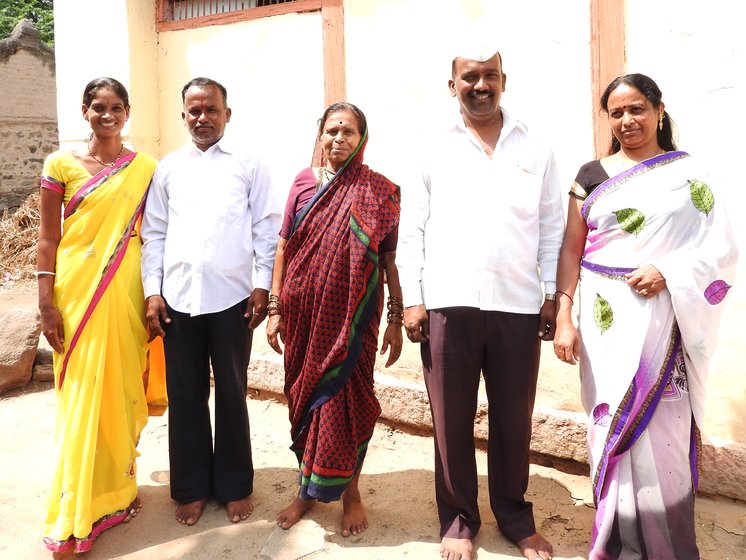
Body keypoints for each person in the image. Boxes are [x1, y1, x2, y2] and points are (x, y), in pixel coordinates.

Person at [553, 73, 738, 559]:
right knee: (609, 420)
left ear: (658, 110)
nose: (627, 120)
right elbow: (570, 250)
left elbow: (720, 249)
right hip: (603, 322)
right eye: (617, 112)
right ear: (607, 118)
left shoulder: (688, 174)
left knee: (665, 429)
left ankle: (668, 546)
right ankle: (615, 538)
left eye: (636, 109)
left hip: (666, 318)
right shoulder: (591, 175)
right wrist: (565, 316)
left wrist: (668, 270)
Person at [397, 49, 563, 560]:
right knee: (451, 420)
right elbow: (412, 229)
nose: (480, 85)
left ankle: (513, 515)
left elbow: (552, 225)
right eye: (470, 77)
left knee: (515, 418)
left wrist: (554, 294)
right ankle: (459, 521)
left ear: (503, 80)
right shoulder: (431, 145)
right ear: (453, 85)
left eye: (489, 75)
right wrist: (413, 299)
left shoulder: (535, 144)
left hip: (517, 303)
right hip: (449, 303)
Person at [141, 77, 280, 527]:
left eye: (211, 110)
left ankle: (235, 484)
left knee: (233, 394)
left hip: (233, 298)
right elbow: (155, 233)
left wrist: (262, 284)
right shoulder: (168, 168)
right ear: (183, 116)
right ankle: (190, 486)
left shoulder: (249, 163)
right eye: (194, 111)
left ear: (227, 113)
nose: (202, 118)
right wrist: (153, 291)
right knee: (185, 395)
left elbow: (265, 227)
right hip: (179, 300)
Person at [266, 102, 402, 537]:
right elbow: (284, 246)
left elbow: (388, 260)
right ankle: (305, 492)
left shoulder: (379, 192)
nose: (338, 138)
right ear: (319, 136)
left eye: (348, 131)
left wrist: (397, 315)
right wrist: (274, 308)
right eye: (331, 130)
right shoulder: (303, 183)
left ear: (362, 138)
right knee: (305, 399)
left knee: (349, 403)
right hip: (304, 315)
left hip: (354, 319)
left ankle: (352, 494)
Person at [38, 77, 159, 556]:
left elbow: (156, 234)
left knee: (120, 389)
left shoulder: (146, 167)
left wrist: (156, 294)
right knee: (82, 397)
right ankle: (75, 506)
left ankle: (116, 495)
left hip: (126, 288)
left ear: (127, 112)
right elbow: (48, 237)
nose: (107, 114)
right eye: (98, 107)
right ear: (84, 111)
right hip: (75, 290)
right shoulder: (60, 163)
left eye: (115, 107)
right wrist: (46, 302)